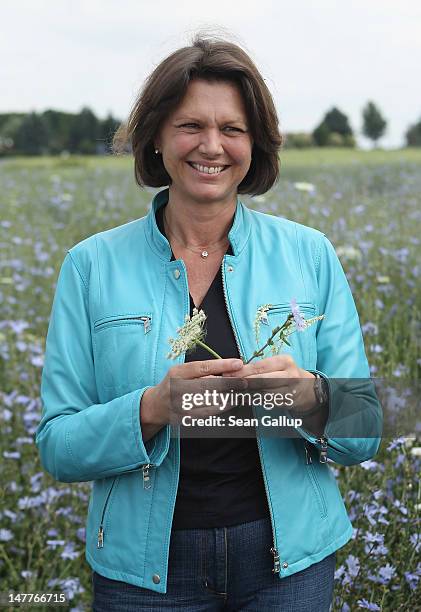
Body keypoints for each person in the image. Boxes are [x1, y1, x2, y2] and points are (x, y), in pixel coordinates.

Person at [36, 35, 382, 611]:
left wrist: (310, 398)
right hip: (145, 573)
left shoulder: (309, 254)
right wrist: (152, 408)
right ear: (157, 139)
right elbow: (57, 445)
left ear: (255, 145)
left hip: (287, 566)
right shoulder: (91, 266)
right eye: (190, 125)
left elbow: (364, 427)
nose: (211, 146)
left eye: (233, 129)